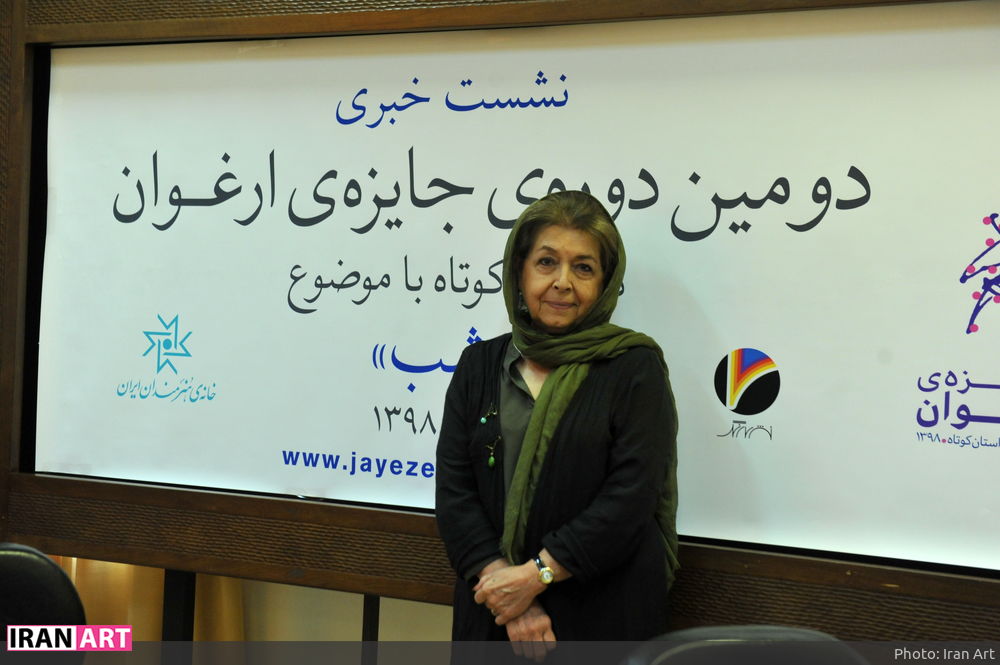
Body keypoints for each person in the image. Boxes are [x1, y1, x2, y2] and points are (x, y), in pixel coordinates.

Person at [435, 190, 679, 654]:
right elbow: (455, 491)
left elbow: (631, 496)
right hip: (494, 610)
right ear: (520, 270)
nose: (562, 282)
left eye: (583, 268)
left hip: (601, 612)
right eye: (547, 262)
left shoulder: (634, 367)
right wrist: (509, 594)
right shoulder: (478, 366)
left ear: (605, 282)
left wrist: (536, 575)